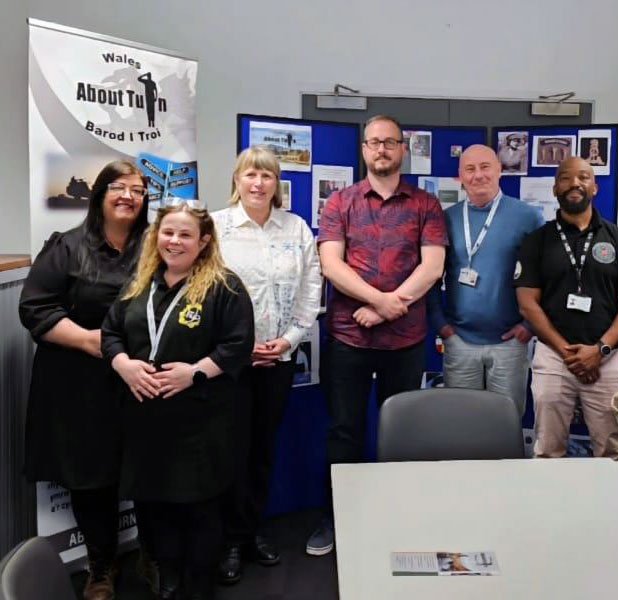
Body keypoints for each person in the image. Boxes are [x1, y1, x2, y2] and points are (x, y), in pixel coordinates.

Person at [102, 204, 254, 599]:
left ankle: (199, 585)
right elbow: (110, 332)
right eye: (168, 232)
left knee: (198, 509)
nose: (174, 241)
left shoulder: (225, 286)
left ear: (204, 241)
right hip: (144, 420)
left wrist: (195, 371)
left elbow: (238, 345)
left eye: (186, 235)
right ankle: (166, 578)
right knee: (153, 506)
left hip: (199, 422)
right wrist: (123, 364)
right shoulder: (140, 282)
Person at [311, 115, 447, 555]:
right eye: (374, 143)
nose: (382, 150)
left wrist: (389, 309)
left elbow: (432, 268)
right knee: (344, 431)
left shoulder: (426, 205)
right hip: (349, 339)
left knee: (401, 433)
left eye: (390, 142)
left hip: (405, 342)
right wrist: (379, 301)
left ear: (403, 149)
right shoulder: (340, 203)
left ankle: (397, 518)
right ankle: (337, 519)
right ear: (364, 150)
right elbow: (331, 265)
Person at [19, 161, 149, 600]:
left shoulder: (156, 246)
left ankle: (153, 555)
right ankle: (101, 567)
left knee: (147, 470)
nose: (129, 196)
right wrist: (93, 342)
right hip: (80, 382)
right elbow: (35, 309)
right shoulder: (68, 247)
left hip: (140, 381)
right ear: (99, 195)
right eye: (119, 187)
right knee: (91, 478)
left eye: (138, 189)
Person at [212, 147, 322, 585]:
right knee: (230, 452)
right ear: (237, 179)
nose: (258, 184)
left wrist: (289, 340)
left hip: (277, 359)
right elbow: (204, 293)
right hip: (228, 364)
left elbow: (310, 291)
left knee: (262, 451)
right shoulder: (216, 228)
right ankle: (228, 542)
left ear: (278, 184)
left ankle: (251, 531)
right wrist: (237, 347)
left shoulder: (295, 229)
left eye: (267, 176)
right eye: (250, 175)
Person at [515, 157, 618, 457]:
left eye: (583, 177)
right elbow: (527, 304)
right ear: (555, 188)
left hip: (606, 358)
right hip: (553, 358)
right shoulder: (537, 241)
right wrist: (568, 354)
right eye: (566, 178)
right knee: (548, 449)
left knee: (612, 451)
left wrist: (599, 351)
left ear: (595, 187)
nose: (575, 183)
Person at [427, 145, 543, 416]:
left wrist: (529, 326)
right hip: (459, 341)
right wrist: (441, 326)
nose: (478, 175)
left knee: (506, 423)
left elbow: (545, 276)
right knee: (461, 425)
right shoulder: (447, 218)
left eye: (485, 166)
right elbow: (431, 277)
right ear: (460, 176)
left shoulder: (528, 217)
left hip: (510, 344)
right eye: (470, 169)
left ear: (500, 170)